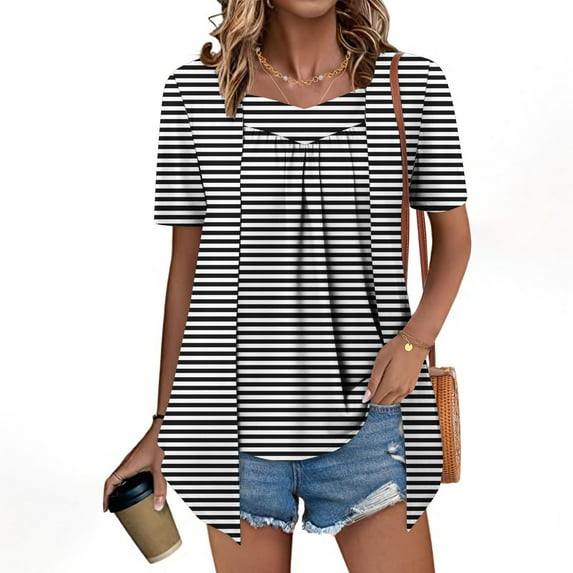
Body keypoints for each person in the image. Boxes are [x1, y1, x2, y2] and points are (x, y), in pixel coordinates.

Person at [103, 1, 471, 571]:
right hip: (225, 427)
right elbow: (187, 273)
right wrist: (163, 426)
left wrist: (413, 341)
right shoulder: (194, 92)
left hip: (373, 417)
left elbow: (454, 239)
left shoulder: (411, 84)